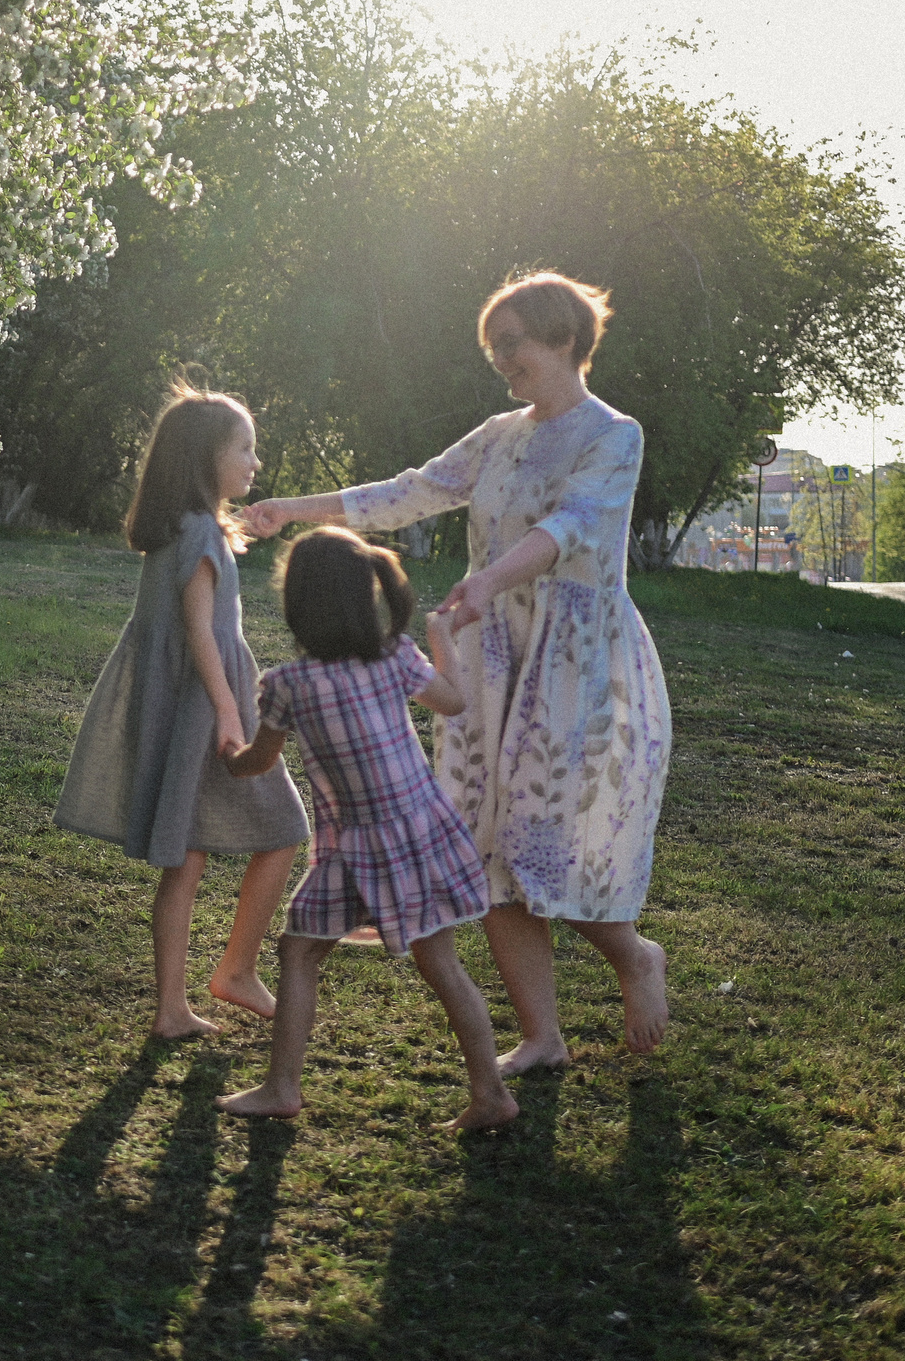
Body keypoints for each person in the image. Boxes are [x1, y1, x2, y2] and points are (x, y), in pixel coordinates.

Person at [243, 271, 672, 1070]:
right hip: (493, 652)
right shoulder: (499, 433)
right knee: (490, 847)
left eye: (513, 342)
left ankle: (632, 956)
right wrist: (291, 512)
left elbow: (572, 526)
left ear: (566, 339)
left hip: (573, 658)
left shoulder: (614, 434)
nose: (502, 360)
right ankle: (542, 1037)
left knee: (545, 838)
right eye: (494, 347)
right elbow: (412, 492)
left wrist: (488, 579)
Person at [215, 528, 515, 1129]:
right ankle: (490, 1095)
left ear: (298, 605)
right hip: (419, 833)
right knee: (442, 965)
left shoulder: (287, 686)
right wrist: (441, 636)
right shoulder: (395, 657)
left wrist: (231, 754)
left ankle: (283, 1087)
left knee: (299, 952)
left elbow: (260, 761)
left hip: (358, 847)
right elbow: (455, 700)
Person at [56, 386, 309, 1039]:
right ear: (206, 459)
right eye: (244, 449)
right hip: (205, 709)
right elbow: (200, 633)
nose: (255, 461)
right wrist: (230, 713)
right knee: (283, 827)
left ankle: (181, 1004)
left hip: (187, 706)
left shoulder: (182, 529)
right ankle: (234, 970)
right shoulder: (197, 531)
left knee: (188, 858)